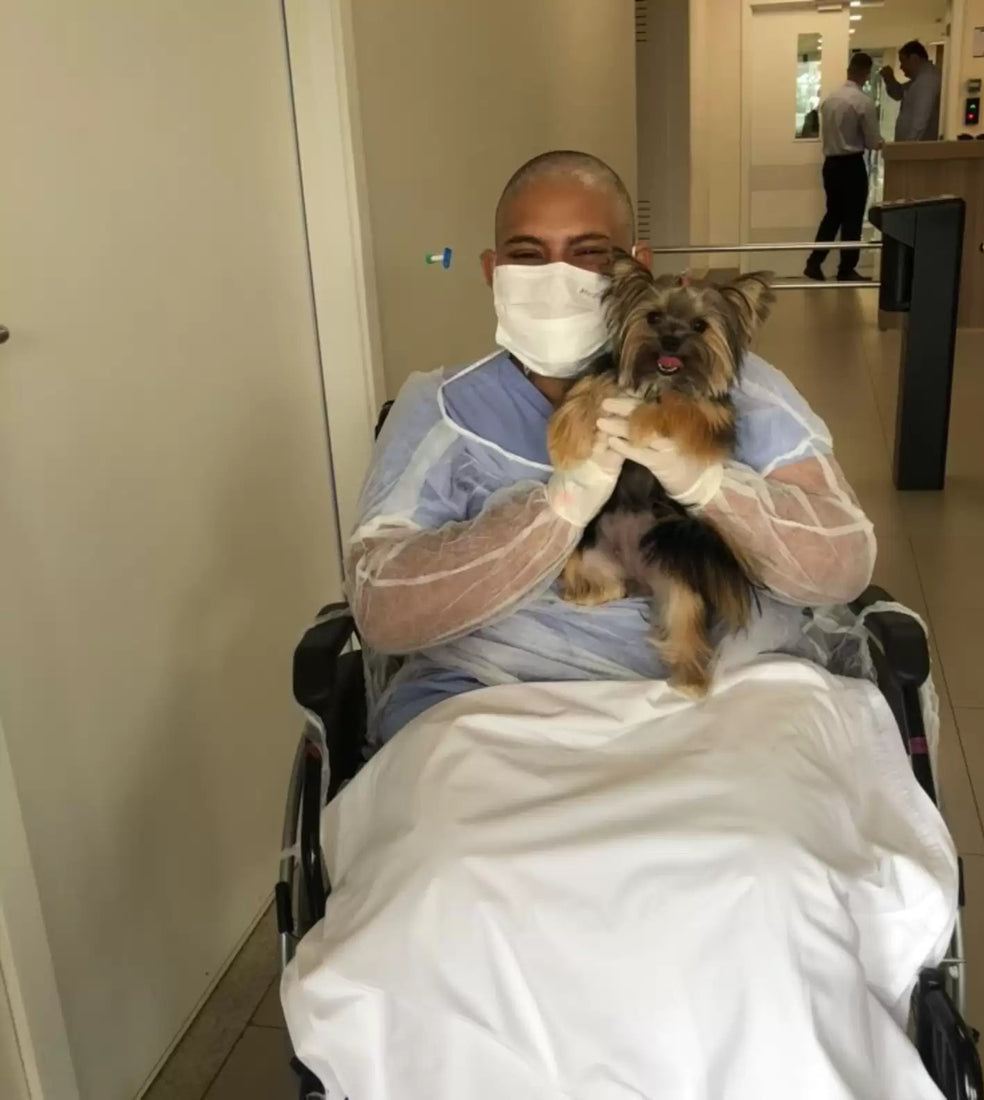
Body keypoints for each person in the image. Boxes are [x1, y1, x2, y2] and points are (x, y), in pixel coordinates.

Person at [347, 150, 876, 742]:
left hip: (724, 696)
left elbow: (843, 566)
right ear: (492, 270)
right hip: (494, 704)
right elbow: (381, 609)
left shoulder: (742, 389)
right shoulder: (441, 408)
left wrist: (714, 488)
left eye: (589, 252)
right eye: (527, 254)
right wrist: (552, 515)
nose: (557, 277)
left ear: (637, 265)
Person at [804, 52, 882, 283]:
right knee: (853, 219)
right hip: (851, 165)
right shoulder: (863, 102)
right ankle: (846, 269)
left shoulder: (829, 100)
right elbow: (872, 142)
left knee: (833, 215)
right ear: (866, 73)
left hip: (831, 165)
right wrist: (881, 143)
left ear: (849, 69)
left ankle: (814, 263)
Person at [881, 40, 942, 142]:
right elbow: (899, 94)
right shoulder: (919, 80)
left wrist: (909, 147)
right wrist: (890, 80)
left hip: (917, 150)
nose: (901, 67)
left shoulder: (926, 81)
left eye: (903, 62)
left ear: (914, 59)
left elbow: (920, 121)